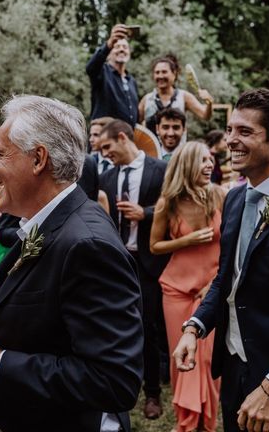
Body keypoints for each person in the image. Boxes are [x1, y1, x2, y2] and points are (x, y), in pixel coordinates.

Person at [0, 95, 143, 432]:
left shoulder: (87, 243)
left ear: (38, 159)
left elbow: (113, 380)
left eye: (1, 154)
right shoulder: (53, 221)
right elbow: (59, 303)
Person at [174, 89, 269, 432]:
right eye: (231, 129)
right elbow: (227, 278)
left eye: (245, 132)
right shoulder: (234, 199)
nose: (231, 140)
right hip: (235, 371)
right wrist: (195, 327)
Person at [150, 142, 225, 432]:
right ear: (187, 165)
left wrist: (216, 283)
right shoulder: (167, 202)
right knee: (181, 358)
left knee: (207, 360)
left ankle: (206, 422)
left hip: (211, 289)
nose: (209, 165)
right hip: (176, 290)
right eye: (202, 160)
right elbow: (154, 246)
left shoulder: (220, 195)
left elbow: (232, 244)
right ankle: (185, 422)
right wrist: (186, 241)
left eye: (210, 160)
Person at [98, 119, 170, 420]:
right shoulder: (107, 177)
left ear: (123, 138)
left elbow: (173, 203)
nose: (104, 154)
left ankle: (152, 393)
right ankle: (119, 389)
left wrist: (147, 213)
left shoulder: (160, 169)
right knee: (116, 326)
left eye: (107, 147)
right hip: (118, 261)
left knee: (149, 327)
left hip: (148, 260)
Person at [139, 55, 214, 132]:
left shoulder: (183, 96)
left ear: (174, 74)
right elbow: (135, 122)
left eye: (164, 72)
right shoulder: (147, 99)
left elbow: (205, 116)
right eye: (157, 72)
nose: (160, 76)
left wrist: (209, 102)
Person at [86, 24, 139, 127]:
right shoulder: (102, 72)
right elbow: (90, 68)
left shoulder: (131, 81)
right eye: (117, 47)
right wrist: (109, 44)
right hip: (104, 136)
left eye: (125, 47)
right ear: (108, 54)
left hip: (124, 139)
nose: (121, 49)